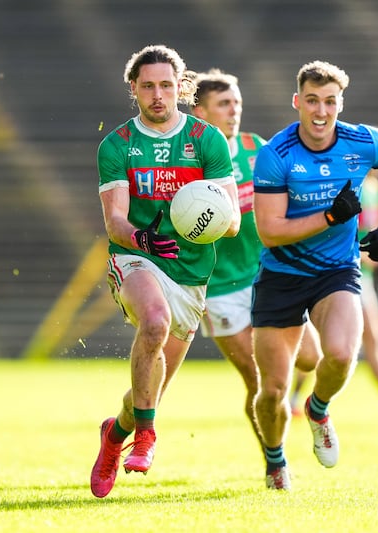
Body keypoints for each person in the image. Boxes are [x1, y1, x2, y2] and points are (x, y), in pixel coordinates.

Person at [251, 60, 378, 490]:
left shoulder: (362, 140)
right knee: (271, 392)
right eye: (312, 101)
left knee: (343, 354)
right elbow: (270, 233)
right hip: (282, 274)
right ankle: (275, 462)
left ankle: (319, 409)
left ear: (340, 104)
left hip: (336, 271)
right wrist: (329, 216)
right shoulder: (276, 155)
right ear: (297, 103)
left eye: (330, 101)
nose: (321, 111)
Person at [90, 44, 241, 499]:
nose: (158, 95)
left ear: (182, 87)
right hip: (137, 256)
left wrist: (210, 217)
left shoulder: (206, 140)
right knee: (153, 322)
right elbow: (115, 222)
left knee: (145, 398)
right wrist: (143, 240)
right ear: (133, 88)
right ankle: (149, 438)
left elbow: (232, 220)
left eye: (167, 85)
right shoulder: (116, 145)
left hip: (191, 271)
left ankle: (116, 435)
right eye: (148, 86)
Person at [190, 69, 322, 454]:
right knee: (259, 381)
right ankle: (274, 458)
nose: (234, 112)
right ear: (201, 113)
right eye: (224, 104)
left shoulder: (255, 145)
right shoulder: (190, 161)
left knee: (311, 359)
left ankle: (311, 411)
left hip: (267, 275)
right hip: (218, 288)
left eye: (237, 103)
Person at [289, 170, 378, 418]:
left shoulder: (373, 188)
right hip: (345, 274)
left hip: (360, 275)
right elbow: (349, 237)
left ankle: (294, 400)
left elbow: (375, 235)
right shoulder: (358, 188)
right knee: (363, 339)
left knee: (351, 340)